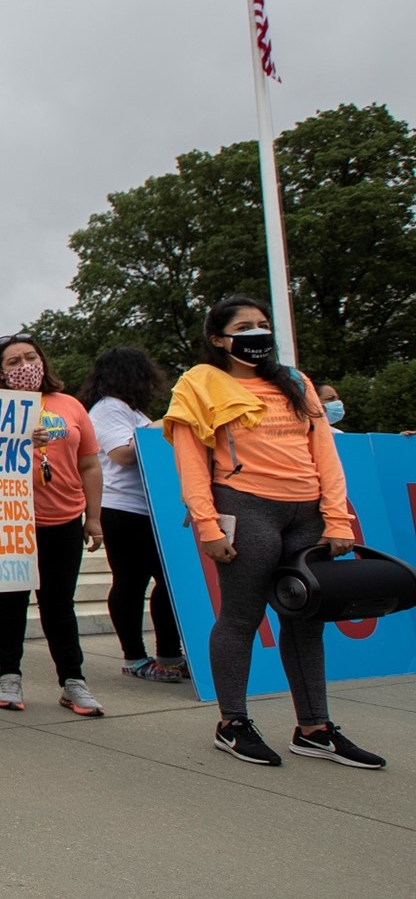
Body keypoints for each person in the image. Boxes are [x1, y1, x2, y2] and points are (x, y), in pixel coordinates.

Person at [165, 296, 384, 769]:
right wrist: (206, 524)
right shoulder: (200, 385)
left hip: (306, 512)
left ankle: (314, 728)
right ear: (219, 339)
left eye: (263, 325)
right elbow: (190, 463)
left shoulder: (295, 382)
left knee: (306, 619)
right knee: (241, 618)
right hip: (246, 508)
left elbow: (325, 453)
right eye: (244, 327)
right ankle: (233, 723)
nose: (257, 333)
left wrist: (337, 517)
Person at [0, 334, 106, 717]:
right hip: (13, 518)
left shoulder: (70, 406)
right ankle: (9, 675)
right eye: (13, 362)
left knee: (59, 603)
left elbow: (89, 464)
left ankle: (73, 681)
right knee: (11, 601)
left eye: (30, 357)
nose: (24, 366)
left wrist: (95, 517)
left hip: (65, 519)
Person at [81, 346, 186, 682]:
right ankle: (135, 656)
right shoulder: (109, 409)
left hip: (145, 508)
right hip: (122, 507)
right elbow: (123, 453)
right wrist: (163, 425)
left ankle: (169, 653)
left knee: (167, 581)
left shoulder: (131, 411)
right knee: (131, 581)